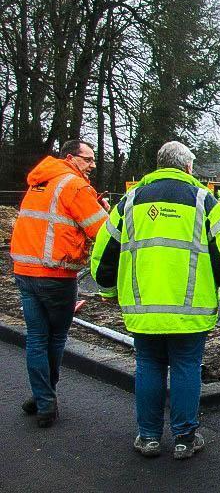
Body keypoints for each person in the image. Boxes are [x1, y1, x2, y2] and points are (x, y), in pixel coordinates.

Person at [91, 141, 220, 459]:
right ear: (188, 167)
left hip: (144, 307)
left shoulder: (130, 201)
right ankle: (185, 439)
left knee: (148, 365)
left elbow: (105, 249)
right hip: (190, 309)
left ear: (159, 166)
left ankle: (148, 437)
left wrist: (107, 289)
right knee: (187, 366)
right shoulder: (204, 201)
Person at [10, 140, 109, 428]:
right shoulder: (74, 186)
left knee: (37, 338)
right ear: (70, 157)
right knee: (54, 338)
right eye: (88, 159)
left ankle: (42, 396)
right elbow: (103, 231)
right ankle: (45, 400)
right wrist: (105, 208)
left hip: (25, 271)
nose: (92, 165)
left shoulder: (41, 181)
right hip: (56, 275)